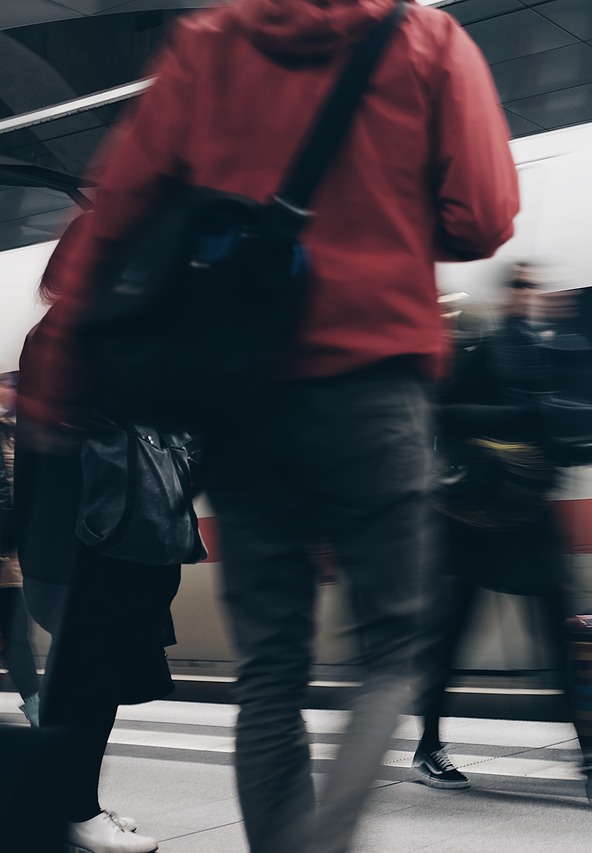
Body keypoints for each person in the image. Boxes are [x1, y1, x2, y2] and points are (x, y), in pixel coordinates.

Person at [15, 1, 519, 851]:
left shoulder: (210, 45)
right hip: (374, 391)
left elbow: (120, 209)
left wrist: (57, 367)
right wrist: (383, 222)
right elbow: (482, 216)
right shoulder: (429, 42)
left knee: (272, 670)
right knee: (396, 644)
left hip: (243, 399)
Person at [414, 268, 592, 798]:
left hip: (529, 514)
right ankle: (428, 745)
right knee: (451, 634)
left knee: (559, 630)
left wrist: (578, 443)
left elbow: (554, 431)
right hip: (476, 518)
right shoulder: (485, 348)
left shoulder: (549, 351)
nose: (538, 296)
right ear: (510, 295)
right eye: (526, 287)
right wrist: (521, 416)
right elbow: (444, 414)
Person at [16, 226, 182, 853]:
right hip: (92, 536)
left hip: (90, 534)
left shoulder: (71, 331)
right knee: (86, 681)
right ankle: (71, 812)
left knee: (89, 677)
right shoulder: (76, 334)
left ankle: (66, 806)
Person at [0, 374, 40, 728]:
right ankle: (36, 705)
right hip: (10, 554)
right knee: (15, 639)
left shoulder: (24, 432)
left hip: (16, 557)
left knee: (17, 638)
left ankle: (36, 705)